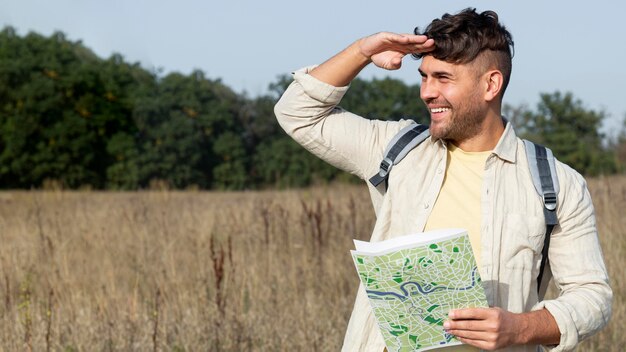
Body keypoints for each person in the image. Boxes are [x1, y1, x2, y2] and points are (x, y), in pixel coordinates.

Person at [274, 8, 612, 352]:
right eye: (424, 77)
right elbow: (297, 111)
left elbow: (592, 297)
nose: (426, 92)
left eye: (443, 78)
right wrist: (362, 51)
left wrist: (520, 328)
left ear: (490, 84)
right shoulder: (396, 148)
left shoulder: (557, 183)